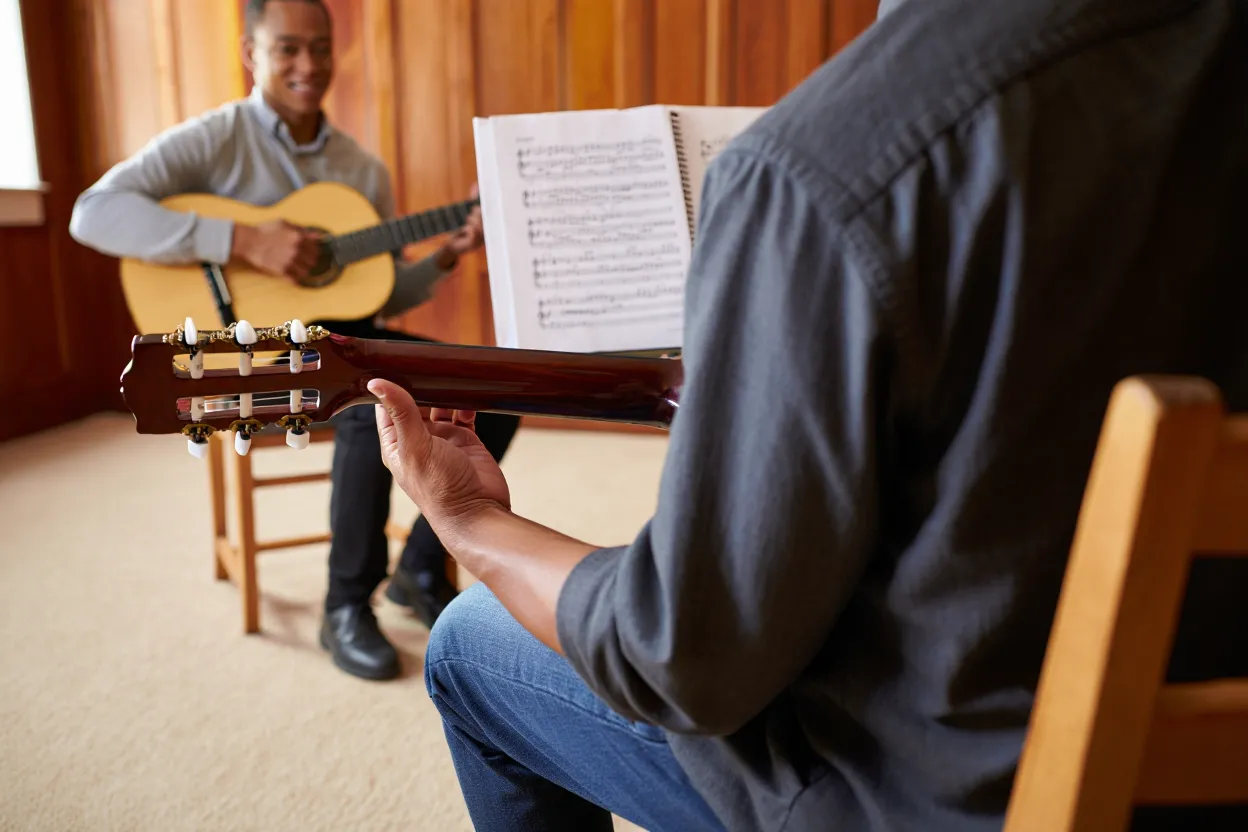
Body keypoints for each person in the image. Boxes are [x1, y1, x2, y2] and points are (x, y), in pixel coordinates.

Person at [365, 0, 1248, 829]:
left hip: (957, 797)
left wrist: (470, 520)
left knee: (470, 646)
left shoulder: (834, 163)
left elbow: (688, 660)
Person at [69, 0, 520, 683]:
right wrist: (245, 239)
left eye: (319, 48)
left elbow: (371, 293)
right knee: (377, 408)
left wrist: (450, 254)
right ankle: (345, 605)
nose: (307, 66)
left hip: (338, 336)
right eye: (287, 49)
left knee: (501, 386)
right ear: (253, 53)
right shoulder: (211, 140)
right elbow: (92, 212)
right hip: (241, 347)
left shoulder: (360, 169)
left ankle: (422, 570)